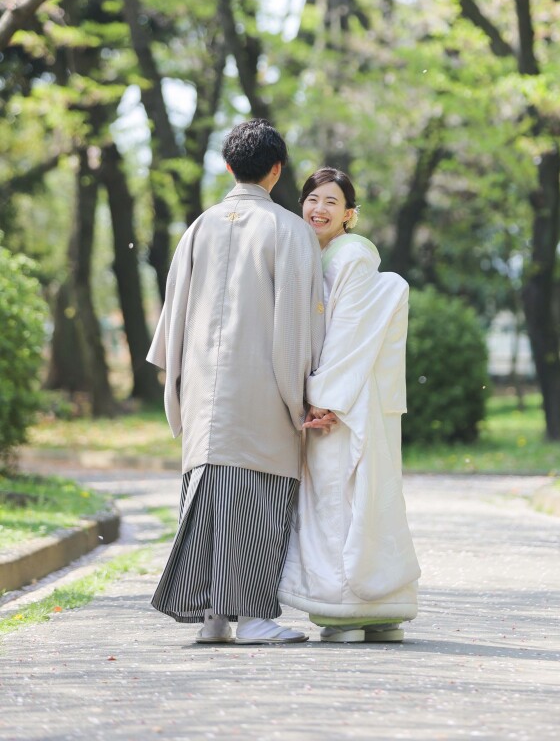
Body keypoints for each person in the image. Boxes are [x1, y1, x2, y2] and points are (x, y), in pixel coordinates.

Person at [147, 120, 325, 645]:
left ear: (227, 166)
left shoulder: (199, 227)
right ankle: (250, 618)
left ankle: (213, 618)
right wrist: (308, 393)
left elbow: (171, 322)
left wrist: (179, 386)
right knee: (256, 498)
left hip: (204, 387)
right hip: (263, 389)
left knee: (209, 497)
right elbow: (299, 324)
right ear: (277, 169)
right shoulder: (289, 229)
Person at [279, 167, 420, 643]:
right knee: (362, 497)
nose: (318, 209)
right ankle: (380, 610)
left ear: (350, 215)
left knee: (339, 499)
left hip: (344, 401)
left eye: (331, 202)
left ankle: (346, 612)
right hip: (349, 394)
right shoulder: (322, 255)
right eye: (312, 199)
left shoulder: (350, 257)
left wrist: (326, 399)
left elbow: (349, 333)